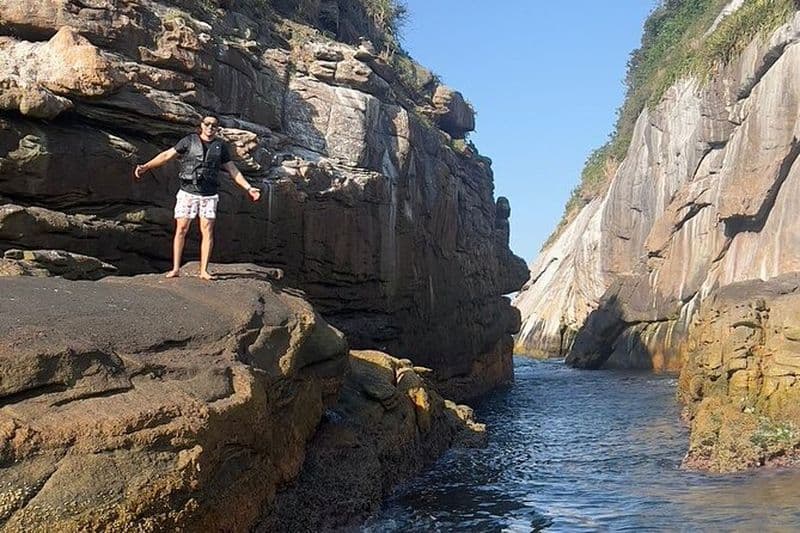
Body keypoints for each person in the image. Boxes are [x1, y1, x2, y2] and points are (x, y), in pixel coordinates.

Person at [134, 116, 261, 280]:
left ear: (217, 128)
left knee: (207, 231)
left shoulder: (220, 146)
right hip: (188, 192)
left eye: (214, 125)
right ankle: (175, 269)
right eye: (207, 124)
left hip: (209, 195)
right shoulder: (188, 141)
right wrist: (145, 167)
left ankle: (204, 271)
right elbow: (166, 155)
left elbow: (233, 170)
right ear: (201, 125)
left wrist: (249, 188)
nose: (210, 127)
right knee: (181, 229)